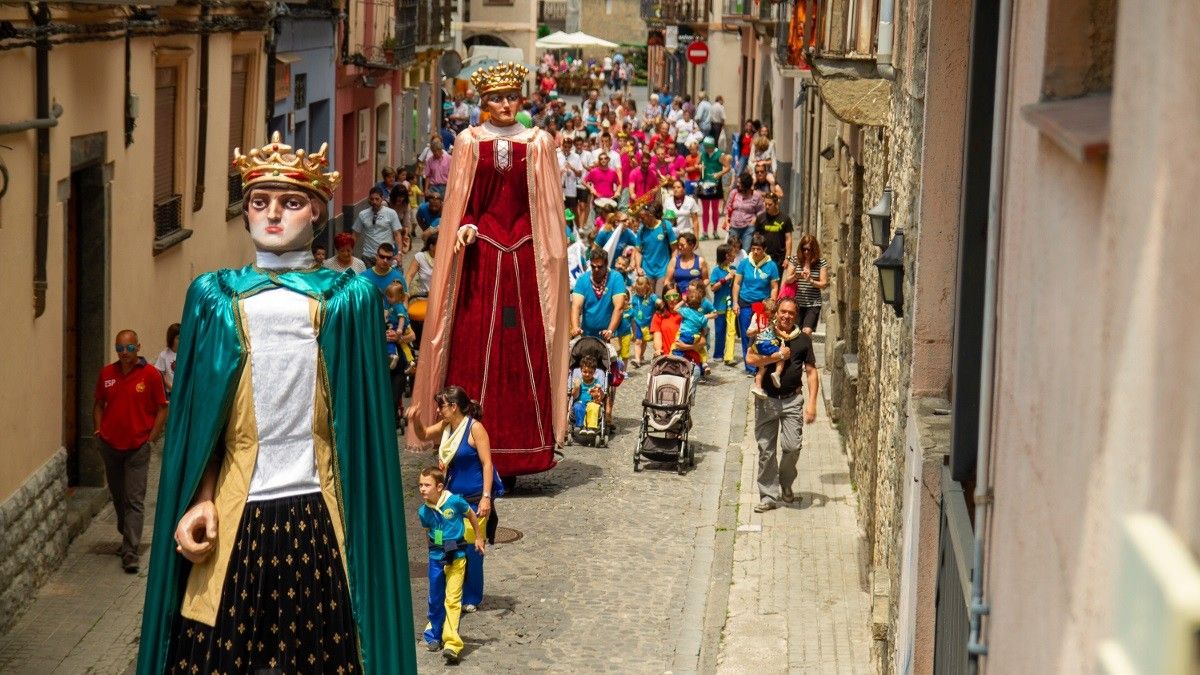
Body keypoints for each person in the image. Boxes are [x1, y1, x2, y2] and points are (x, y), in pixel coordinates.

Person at [138, 132, 416, 674]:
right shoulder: (214, 297)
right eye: (259, 202)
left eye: (289, 203)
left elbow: (362, 431)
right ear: (245, 214)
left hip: (320, 511)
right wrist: (200, 498)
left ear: (315, 210)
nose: (273, 215)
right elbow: (200, 426)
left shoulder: (349, 300)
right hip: (234, 514)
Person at [410, 62, 569, 481]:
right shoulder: (467, 142)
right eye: (495, 98)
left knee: (523, 348)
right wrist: (464, 224)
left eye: (511, 96)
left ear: (521, 99)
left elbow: (549, 208)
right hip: (481, 258)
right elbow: (462, 199)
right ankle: (466, 451)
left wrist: (547, 253)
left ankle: (522, 451)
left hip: (523, 259)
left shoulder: (538, 143)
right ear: (482, 103)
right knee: (473, 347)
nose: (503, 104)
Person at [407, 385, 504, 624]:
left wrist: (486, 497)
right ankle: (454, 592)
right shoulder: (447, 427)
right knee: (452, 546)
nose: (439, 410)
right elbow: (423, 435)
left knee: (472, 549)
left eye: (442, 405)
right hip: (449, 499)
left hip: (472, 497)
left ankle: (472, 596)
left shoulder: (475, 428)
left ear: (454, 406)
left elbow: (487, 464)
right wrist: (415, 420)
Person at [94, 329, 168, 574]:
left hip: (138, 448)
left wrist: (151, 438)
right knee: (118, 497)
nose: (124, 354)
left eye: (129, 348)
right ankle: (126, 537)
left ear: (138, 346)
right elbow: (98, 404)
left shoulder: (150, 375)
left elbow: (162, 408)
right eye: (119, 349)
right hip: (111, 447)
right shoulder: (107, 374)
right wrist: (98, 431)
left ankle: (131, 552)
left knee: (134, 501)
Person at [745, 297, 818, 512]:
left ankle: (785, 482)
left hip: (793, 400)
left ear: (796, 316)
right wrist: (777, 356)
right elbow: (750, 359)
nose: (786, 316)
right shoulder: (765, 333)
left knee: (792, 446)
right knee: (766, 450)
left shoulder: (804, 340)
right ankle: (768, 496)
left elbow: (812, 373)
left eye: (791, 313)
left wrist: (812, 403)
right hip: (766, 401)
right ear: (776, 312)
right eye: (783, 312)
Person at [415, 466, 486, 664]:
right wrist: (430, 553)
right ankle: (434, 635)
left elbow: (471, 514)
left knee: (453, 600)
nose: (422, 488)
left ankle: (452, 644)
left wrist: (478, 538)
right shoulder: (424, 511)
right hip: (436, 558)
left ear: (439, 486)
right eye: (420, 484)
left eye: (427, 485)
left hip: (457, 556)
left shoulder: (454, 502)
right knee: (435, 598)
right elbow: (428, 532)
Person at [733, 233, 781, 373]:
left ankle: (762, 362)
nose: (755, 252)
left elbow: (774, 287)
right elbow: (737, 283)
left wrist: (772, 305)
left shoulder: (771, 265)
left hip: (761, 305)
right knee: (746, 333)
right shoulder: (744, 263)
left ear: (764, 249)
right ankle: (750, 366)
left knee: (761, 333)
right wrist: (735, 303)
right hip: (745, 302)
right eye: (753, 248)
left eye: (759, 249)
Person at [781, 234, 829, 336]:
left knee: (806, 332)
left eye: (809, 249)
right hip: (797, 303)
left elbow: (824, 284)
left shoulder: (821, 262)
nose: (806, 252)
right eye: (804, 249)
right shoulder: (795, 260)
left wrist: (810, 280)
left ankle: (806, 351)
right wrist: (796, 276)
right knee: (795, 332)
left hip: (813, 303)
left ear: (814, 249)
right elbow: (787, 280)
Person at [353, 186, 405, 264]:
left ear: (382, 199)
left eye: (377, 199)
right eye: (372, 199)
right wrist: (350, 251)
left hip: (386, 256)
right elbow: (355, 235)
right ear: (368, 199)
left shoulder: (391, 213)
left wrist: (399, 253)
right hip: (368, 256)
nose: (374, 202)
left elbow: (397, 234)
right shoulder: (362, 214)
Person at [746, 298, 784, 397]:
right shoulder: (757, 317)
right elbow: (748, 333)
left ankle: (758, 388)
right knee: (782, 355)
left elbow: (776, 328)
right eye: (769, 314)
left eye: (772, 314)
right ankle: (777, 373)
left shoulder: (773, 318)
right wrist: (757, 330)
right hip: (764, 344)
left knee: (762, 368)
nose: (770, 316)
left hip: (762, 346)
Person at [709, 243, 738, 366]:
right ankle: (718, 354)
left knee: (731, 330)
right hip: (720, 305)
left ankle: (729, 356)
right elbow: (713, 288)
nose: (734, 255)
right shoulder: (716, 270)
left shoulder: (734, 269)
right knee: (720, 331)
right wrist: (726, 278)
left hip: (731, 304)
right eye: (732, 253)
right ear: (727, 255)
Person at [636, 205, 677, 289]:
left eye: (642, 218)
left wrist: (672, 266)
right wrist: (638, 267)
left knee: (659, 297)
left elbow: (674, 249)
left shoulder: (666, 226)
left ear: (650, 215)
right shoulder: (641, 230)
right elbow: (638, 251)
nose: (640, 220)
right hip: (647, 271)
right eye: (639, 218)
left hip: (663, 270)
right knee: (648, 298)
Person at [698, 136, 730, 240]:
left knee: (715, 209)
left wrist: (719, 174)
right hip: (705, 182)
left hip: (716, 184)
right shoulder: (703, 154)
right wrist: (699, 167)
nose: (706, 149)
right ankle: (705, 232)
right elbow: (699, 165)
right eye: (705, 147)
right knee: (705, 210)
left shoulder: (720, 155)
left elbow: (728, 167)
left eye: (708, 147)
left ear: (712, 146)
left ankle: (715, 231)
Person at [724, 172, 765, 251]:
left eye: (740, 182)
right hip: (734, 227)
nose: (737, 184)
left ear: (746, 184)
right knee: (732, 250)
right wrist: (727, 222)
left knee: (746, 251)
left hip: (748, 228)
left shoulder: (756, 195)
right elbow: (727, 208)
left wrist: (754, 220)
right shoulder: (734, 193)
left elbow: (761, 210)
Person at [754, 192, 793, 269]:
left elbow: (788, 239)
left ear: (776, 204)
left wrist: (787, 258)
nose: (767, 206)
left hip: (779, 258)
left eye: (770, 204)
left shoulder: (785, 219)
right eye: (765, 204)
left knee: (776, 280)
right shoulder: (760, 218)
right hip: (763, 257)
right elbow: (756, 238)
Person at [627, 275, 659, 367]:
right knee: (638, 341)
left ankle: (641, 356)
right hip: (637, 323)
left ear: (647, 287)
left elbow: (657, 300)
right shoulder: (635, 297)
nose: (640, 292)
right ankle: (637, 359)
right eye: (638, 290)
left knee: (644, 341)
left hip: (647, 324)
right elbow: (632, 307)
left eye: (642, 290)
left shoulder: (651, 296)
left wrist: (659, 302)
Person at [568, 354, 607, 429]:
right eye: (585, 372)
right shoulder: (578, 381)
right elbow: (574, 396)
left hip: (592, 402)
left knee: (593, 407)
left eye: (590, 372)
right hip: (580, 402)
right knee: (577, 406)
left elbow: (602, 396)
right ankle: (580, 425)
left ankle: (591, 427)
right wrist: (576, 387)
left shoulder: (596, 382)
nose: (587, 374)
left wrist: (599, 391)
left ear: (594, 372)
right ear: (581, 370)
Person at [384, 280, 416, 372]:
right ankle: (410, 361)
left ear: (399, 297)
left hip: (399, 327)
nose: (388, 298)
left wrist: (399, 329)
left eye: (390, 296)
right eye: (387, 296)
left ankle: (393, 355)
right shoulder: (392, 306)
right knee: (403, 345)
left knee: (391, 339)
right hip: (395, 326)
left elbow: (402, 318)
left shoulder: (399, 307)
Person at [154, 323, 181, 398]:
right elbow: (161, 375)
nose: (181, 340)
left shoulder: (186, 354)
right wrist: (171, 388)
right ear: (171, 339)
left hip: (183, 392)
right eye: (178, 338)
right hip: (170, 393)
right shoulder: (164, 355)